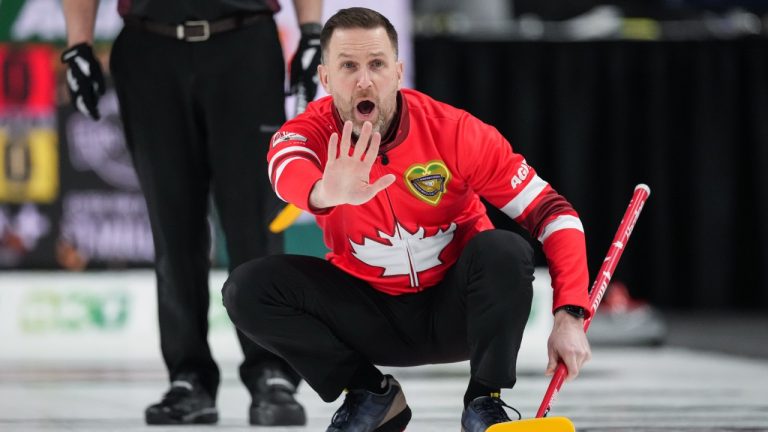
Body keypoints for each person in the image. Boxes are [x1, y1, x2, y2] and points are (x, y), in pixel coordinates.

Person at [223, 7, 592, 432]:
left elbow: (552, 211)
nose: (364, 80)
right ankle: (369, 394)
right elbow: (283, 169)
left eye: (377, 64)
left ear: (398, 72)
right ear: (325, 79)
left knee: (505, 249)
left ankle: (484, 402)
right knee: (246, 289)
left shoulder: (454, 131)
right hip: (367, 316)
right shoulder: (307, 133)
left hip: (459, 313)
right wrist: (326, 191)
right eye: (348, 66)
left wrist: (570, 313)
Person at [60, 0, 323, 426]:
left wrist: (311, 30)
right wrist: (78, 43)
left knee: (254, 224)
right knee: (172, 224)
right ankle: (189, 376)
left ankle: (271, 370)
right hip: (150, 48)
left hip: (244, 42)